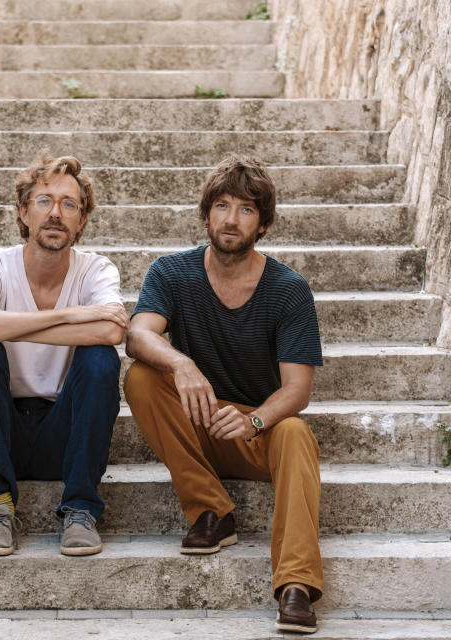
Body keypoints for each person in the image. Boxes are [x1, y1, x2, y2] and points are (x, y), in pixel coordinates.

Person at [123, 155, 324, 633]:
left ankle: (296, 586)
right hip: (200, 422)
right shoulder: (172, 273)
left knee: (296, 433)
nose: (231, 219)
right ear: (206, 212)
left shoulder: (288, 289)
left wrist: (256, 421)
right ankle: (211, 510)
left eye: (246, 210)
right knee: (141, 376)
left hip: (259, 433)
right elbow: (137, 335)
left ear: (263, 223)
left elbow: (298, 389)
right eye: (221, 205)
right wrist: (181, 362)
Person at [0, 151, 126, 558]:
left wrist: (5, 322)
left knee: (101, 358)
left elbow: (113, 329)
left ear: (81, 220)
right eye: (44, 200)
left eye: (69, 204)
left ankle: (81, 507)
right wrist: (67, 316)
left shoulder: (96, 270)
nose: (56, 213)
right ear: (23, 211)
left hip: (62, 436)